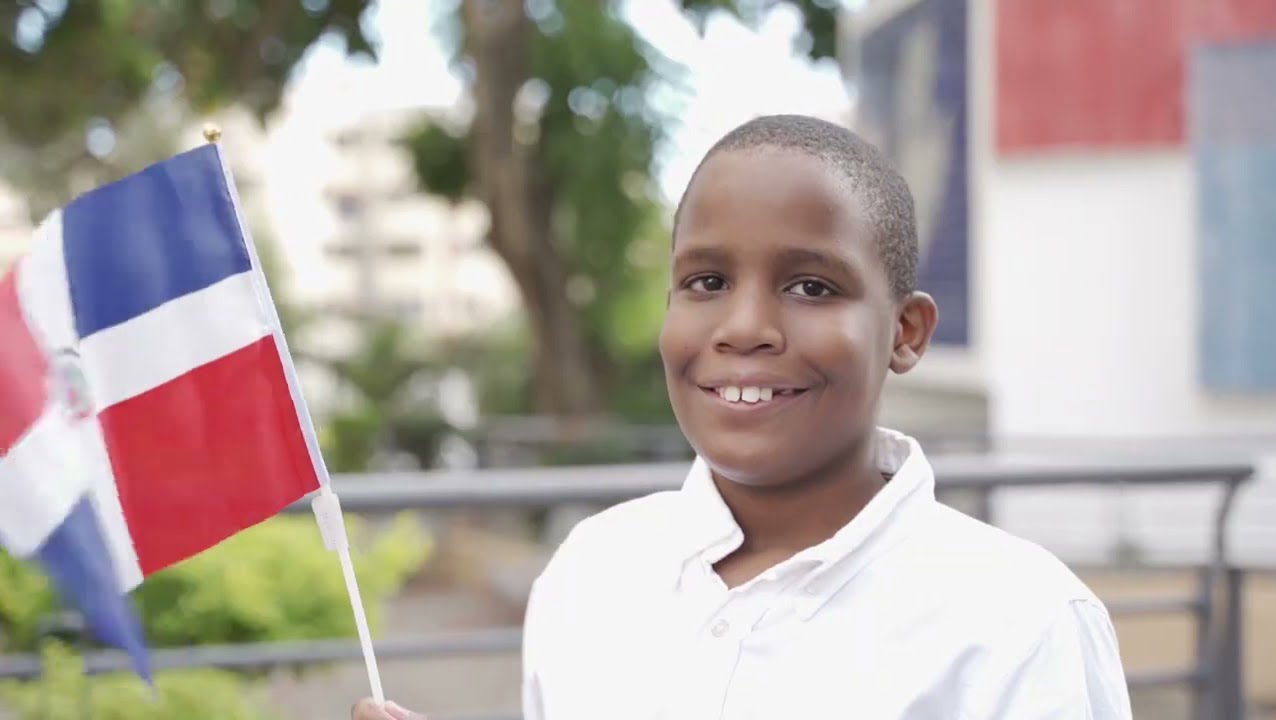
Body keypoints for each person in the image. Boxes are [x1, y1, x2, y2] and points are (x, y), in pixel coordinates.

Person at [352, 114, 1133, 719]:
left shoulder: (1020, 621)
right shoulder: (592, 572)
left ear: (905, 332)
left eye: (811, 287)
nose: (744, 326)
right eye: (706, 281)